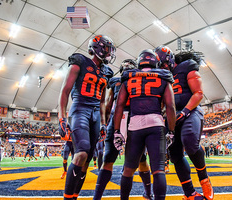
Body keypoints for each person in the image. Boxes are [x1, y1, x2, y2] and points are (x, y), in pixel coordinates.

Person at [113, 49, 176, 200]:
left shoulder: (129, 77)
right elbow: (170, 106)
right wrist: (172, 131)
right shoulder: (163, 77)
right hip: (155, 123)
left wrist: (116, 130)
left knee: (128, 170)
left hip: (135, 125)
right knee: (158, 170)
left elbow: (119, 105)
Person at [58, 34, 115, 200]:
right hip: (80, 109)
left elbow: (103, 101)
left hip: (96, 113)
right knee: (81, 153)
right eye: (107, 48)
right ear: (97, 48)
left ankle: (74, 196)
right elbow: (65, 91)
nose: (109, 53)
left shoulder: (107, 71)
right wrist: (61, 118)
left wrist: (104, 123)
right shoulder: (80, 61)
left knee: (88, 159)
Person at [155, 45, 214, 200]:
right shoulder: (161, 76)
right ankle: (189, 192)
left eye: (164, 64)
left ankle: (204, 179)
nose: (163, 68)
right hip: (172, 115)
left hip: (191, 110)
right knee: (174, 154)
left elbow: (198, 93)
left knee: (190, 141)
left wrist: (186, 111)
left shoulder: (186, 66)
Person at [93, 59, 154, 200]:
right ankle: (148, 193)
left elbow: (108, 105)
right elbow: (108, 105)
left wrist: (105, 123)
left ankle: (148, 193)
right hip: (125, 119)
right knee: (112, 159)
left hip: (129, 119)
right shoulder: (121, 81)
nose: (126, 66)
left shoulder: (126, 81)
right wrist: (105, 124)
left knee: (139, 160)